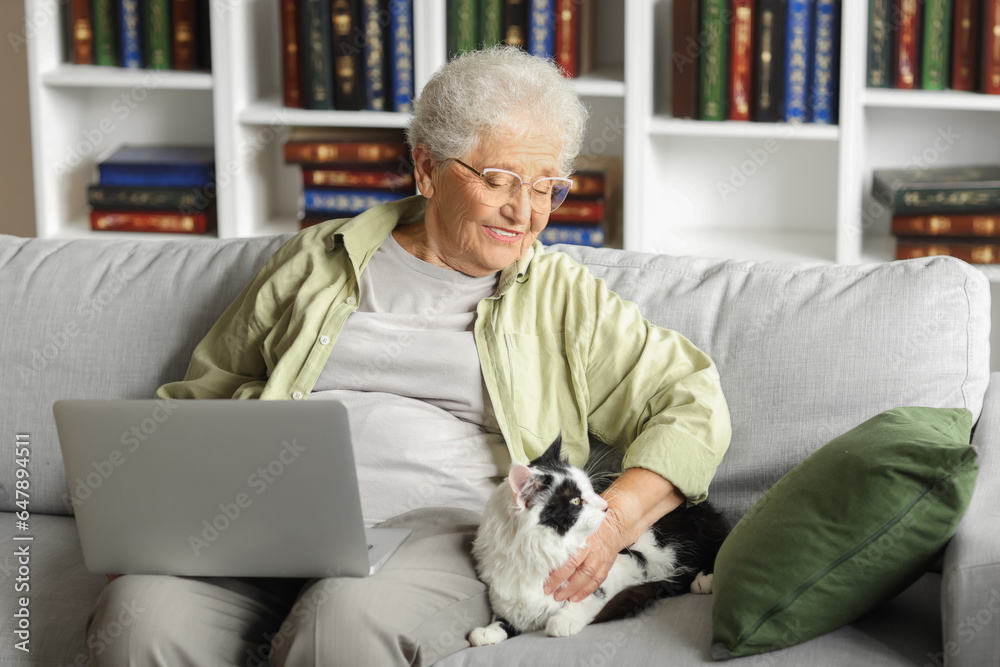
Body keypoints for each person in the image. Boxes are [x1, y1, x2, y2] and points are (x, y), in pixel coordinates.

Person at [86, 45, 731, 666]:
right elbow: (203, 397)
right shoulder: (315, 260)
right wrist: (150, 519)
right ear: (426, 168)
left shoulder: (564, 298)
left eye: (547, 188)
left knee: (341, 625)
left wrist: (612, 525)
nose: (525, 211)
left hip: (434, 537)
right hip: (264, 518)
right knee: (139, 617)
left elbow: (691, 400)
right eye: (501, 179)